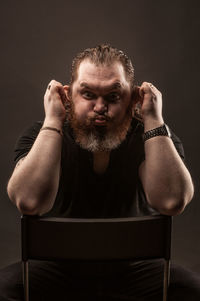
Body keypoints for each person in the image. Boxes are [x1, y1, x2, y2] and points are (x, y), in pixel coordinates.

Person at [0, 44, 199, 300]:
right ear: (68, 94)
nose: (100, 106)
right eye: (88, 94)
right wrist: (52, 121)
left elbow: (172, 201)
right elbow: (28, 201)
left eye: (113, 96)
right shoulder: (41, 135)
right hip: (54, 267)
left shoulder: (152, 137)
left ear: (134, 98)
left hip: (137, 268)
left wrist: (154, 119)